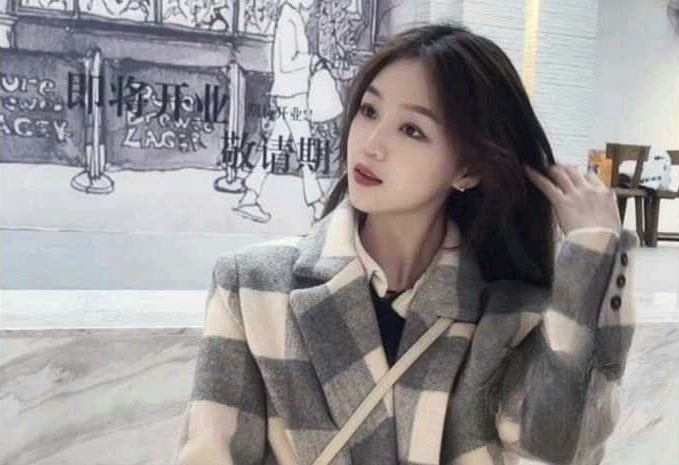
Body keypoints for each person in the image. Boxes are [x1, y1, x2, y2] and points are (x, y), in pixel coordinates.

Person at [173, 23, 637, 465]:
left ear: (467, 170)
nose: (371, 144)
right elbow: (210, 452)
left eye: (412, 130)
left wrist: (593, 252)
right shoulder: (252, 286)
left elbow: (563, 442)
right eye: (369, 111)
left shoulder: (502, 315)